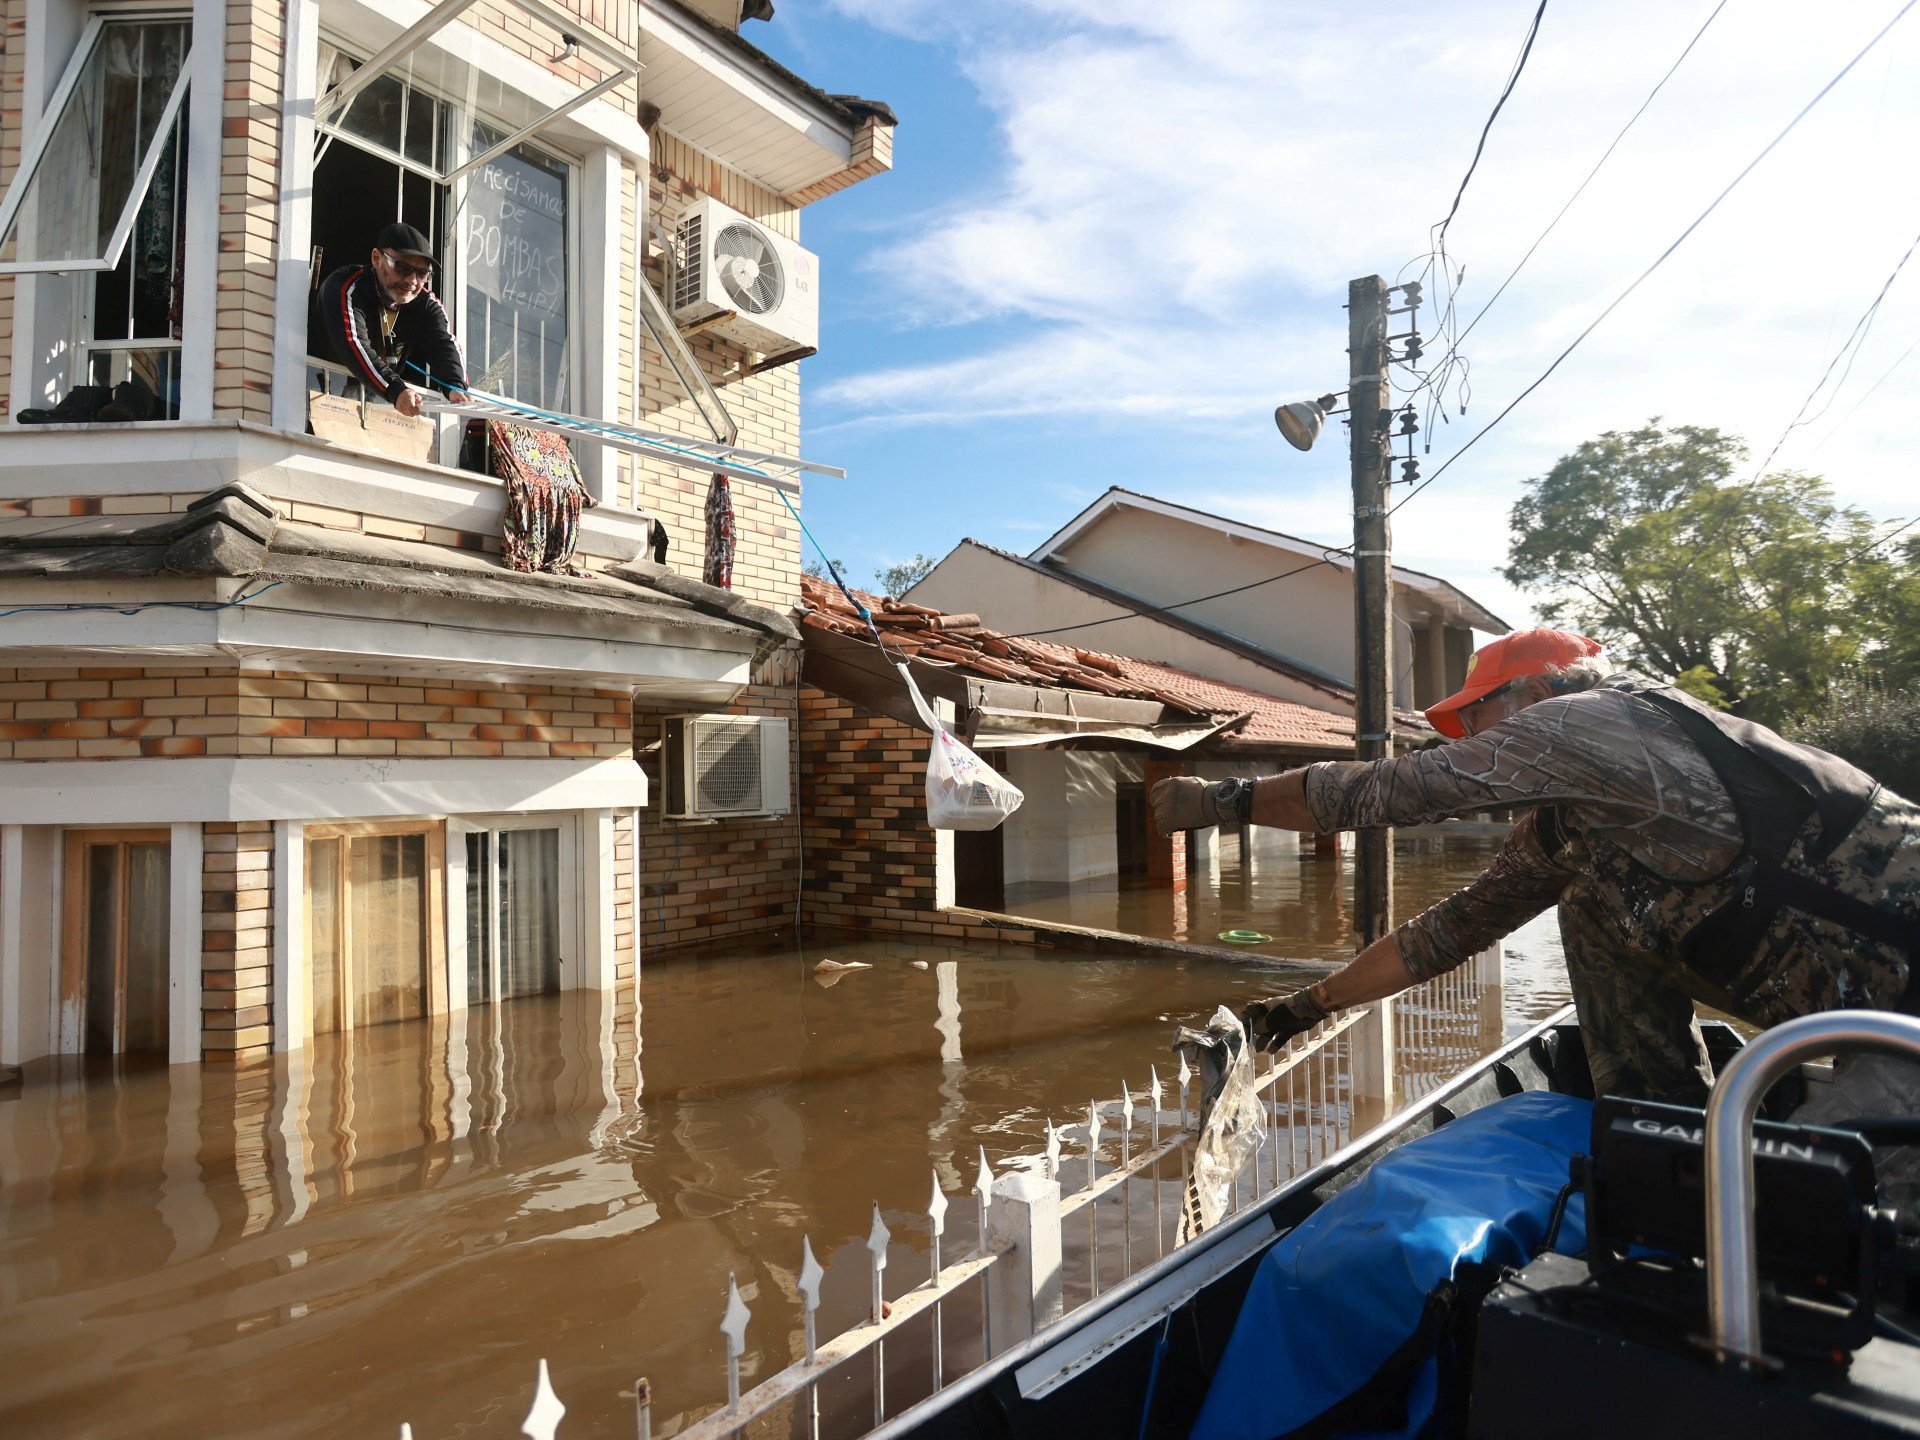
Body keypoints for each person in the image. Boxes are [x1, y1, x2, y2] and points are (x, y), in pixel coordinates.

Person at [1151, 629, 1920, 1140]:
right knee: (1589, 912)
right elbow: (1449, 931)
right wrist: (1298, 1011)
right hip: (1859, 1021)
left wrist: (1228, 800)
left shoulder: (1594, 720)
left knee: (1824, 1214)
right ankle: (1661, 1131)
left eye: (1473, 718)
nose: (1474, 740)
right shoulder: (1575, 821)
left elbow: (1393, 791)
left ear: (1529, 695)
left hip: (1905, 1009)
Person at [315, 222, 468, 417]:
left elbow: (444, 346)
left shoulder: (427, 304)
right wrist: (395, 389)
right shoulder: (347, 286)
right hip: (318, 393)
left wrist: (455, 386)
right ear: (376, 258)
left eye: (422, 273)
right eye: (403, 267)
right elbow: (354, 344)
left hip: (373, 404)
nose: (412, 281)